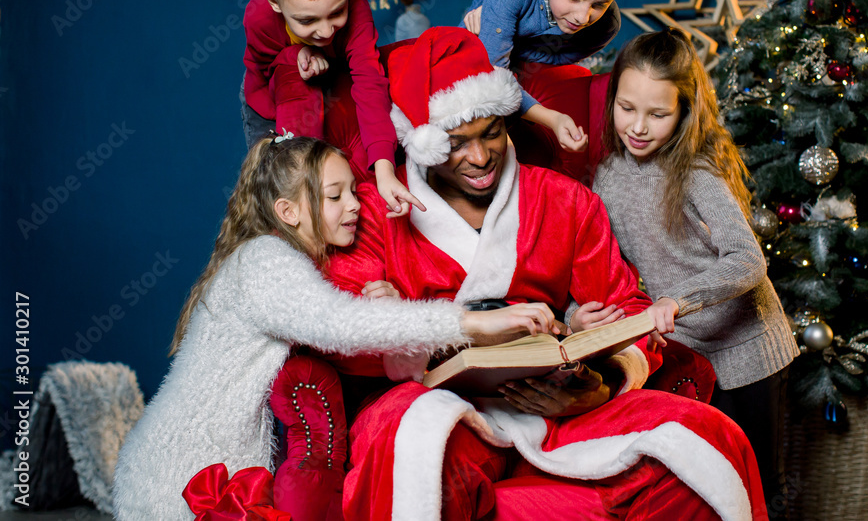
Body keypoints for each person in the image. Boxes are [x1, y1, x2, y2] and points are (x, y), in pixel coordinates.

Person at [324, 27, 767, 520]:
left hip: (559, 407)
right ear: (422, 143)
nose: (479, 157)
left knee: (706, 438)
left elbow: (628, 305)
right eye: (456, 143)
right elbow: (341, 327)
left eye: (491, 132)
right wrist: (409, 325)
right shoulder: (373, 211)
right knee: (415, 444)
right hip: (443, 403)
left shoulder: (564, 199)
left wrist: (600, 383)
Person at [111, 134, 555, 520]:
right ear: (287, 211)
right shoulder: (264, 261)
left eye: (353, 192)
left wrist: (385, 312)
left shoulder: (281, 261)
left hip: (199, 467)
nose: (356, 205)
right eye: (335, 195)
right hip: (176, 476)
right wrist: (476, 323)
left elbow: (339, 322)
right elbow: (339, 324)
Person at [590, 29, 799, 519]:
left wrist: (677, 301)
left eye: (658, 114)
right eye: (627, 108)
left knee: (756, 491)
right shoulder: (607, 176)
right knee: (698, 489)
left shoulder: (697, 170)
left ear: (684, 111)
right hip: (685, 360)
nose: (638, 127)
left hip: (749, 355)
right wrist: (585, 313)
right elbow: (605, 261)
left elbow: (748, 259)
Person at [239, 0, 424, 218]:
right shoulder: (260, 14)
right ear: (276, 3)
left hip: (337, 88)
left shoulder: (358, 7)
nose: (325, 31)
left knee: (357, 179)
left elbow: (370, 86)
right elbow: (261, 69)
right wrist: (295, 53)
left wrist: (386, 171)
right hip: (270, 99)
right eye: (307, 20)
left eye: (337, 12)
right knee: (280, 193)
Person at [459, 0, 628, 181]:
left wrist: (512, 48)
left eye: (599, 4)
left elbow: (548, 58)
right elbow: (493, 80)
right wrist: (552, 119)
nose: (582, 17)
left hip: (516, 79)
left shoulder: (605, 25)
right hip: (467, 77)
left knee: (531, 166)